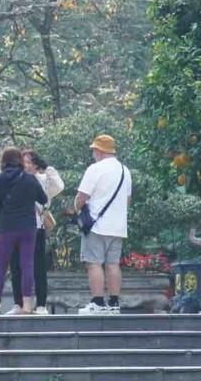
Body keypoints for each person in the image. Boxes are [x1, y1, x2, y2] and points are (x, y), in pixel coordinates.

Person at [0, 150, 64, 315]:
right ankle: (27, 305)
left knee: (2, 266)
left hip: (7, 226)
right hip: (28, 227)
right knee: (27, 265)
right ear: (20, 162)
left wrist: (6, 211)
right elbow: (43, 199)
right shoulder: (30, 179)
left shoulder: (1, 179)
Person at [75, 134, 131, 315]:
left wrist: (77, 209)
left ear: (99, 151)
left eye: (94, 150)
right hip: (118, 227)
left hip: (96, 226)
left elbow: (81, 198)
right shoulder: (125, 171)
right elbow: (127, 200)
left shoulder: (95, 169)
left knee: (94, 263)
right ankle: (114, 304)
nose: (93, 154)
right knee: (113, 264)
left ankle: (97, 303)